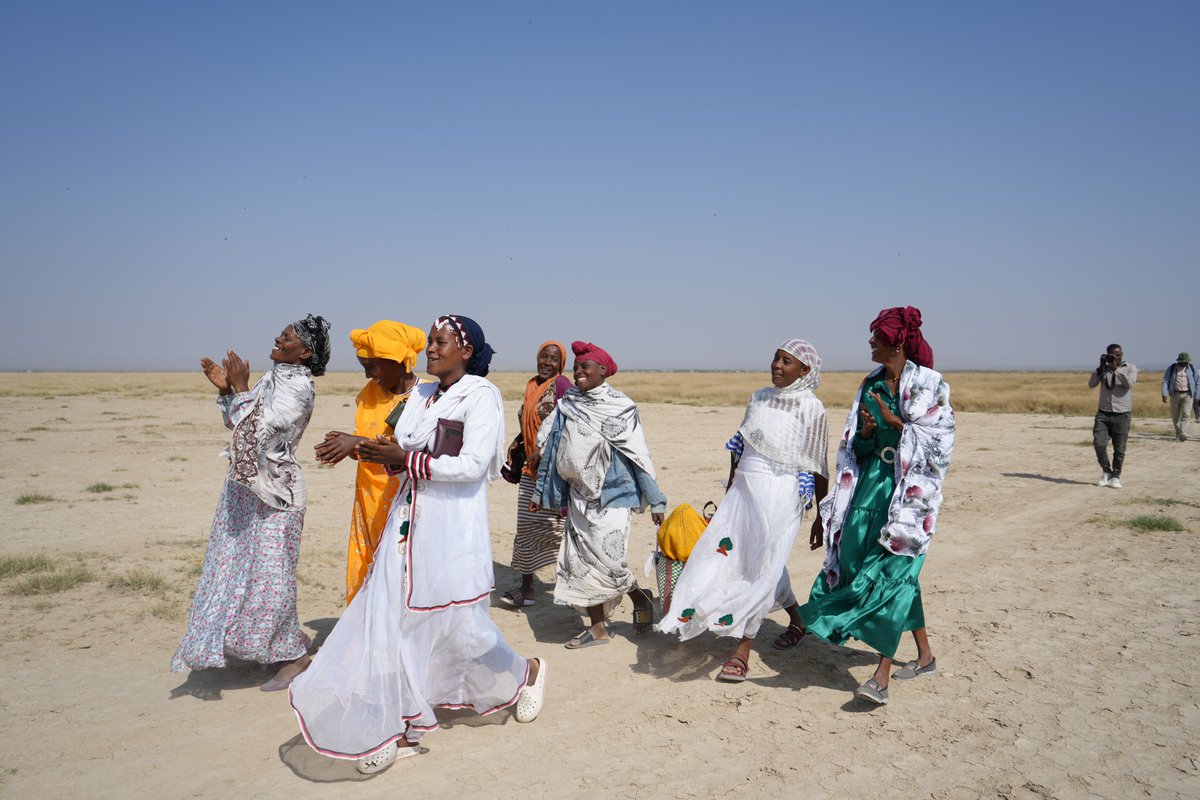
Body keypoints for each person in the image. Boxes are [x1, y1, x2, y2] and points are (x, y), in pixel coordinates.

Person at [289, 315, 546, 775]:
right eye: (429, 342)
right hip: (406, 523)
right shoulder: (423, 394)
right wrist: (361, 446)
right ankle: (403, 720)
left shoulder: (481, 395)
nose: (431, 349)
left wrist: (404, 458)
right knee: (393, 617)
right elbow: (397, 449)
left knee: (461, 627)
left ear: (465, 351)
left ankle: (526, 671)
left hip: (452, 529)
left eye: (441, 342)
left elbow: (471, 465)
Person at [800, 306, 954, 706]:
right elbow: (859, 447)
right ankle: (925, 656)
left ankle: (880, 678)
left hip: (909, 499)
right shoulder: (870, 384)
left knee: (890, 574)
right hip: (869, 492)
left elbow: (940, 443)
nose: (870, 342)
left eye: (877, 336)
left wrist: (899, 424)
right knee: (867, 569)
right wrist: (870, 431)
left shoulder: (930, 385)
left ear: (897, 342)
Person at [172, 315, 332, 693]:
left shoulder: (299, 388)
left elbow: (261, 433)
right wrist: (229, 391)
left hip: (277, 495)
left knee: (272, 581)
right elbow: (239, 426)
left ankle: (294, 657)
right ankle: (282, 645)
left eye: (288, 336)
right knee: (240, 572)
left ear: (305, 352)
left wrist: (241, 389)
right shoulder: (275, 378)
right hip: (247, 491)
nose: (279, 337)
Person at [656, 340, 829, 683]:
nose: (777, 365)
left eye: (786, 361)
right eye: (776, 358)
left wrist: (822, 516)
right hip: (744, 493)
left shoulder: (813, 409)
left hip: (782, 496)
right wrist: (732, 487)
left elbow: (818, 465)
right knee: (733, 559)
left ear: (805, 371)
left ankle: (742, 650)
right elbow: (739, 449)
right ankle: (797, 619)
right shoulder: (758, 398)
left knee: (762, 567)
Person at [531, 341, 665, 649]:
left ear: (603, 371)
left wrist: (655, 499)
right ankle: (598, 628)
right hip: (578, 495)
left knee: (610, 561)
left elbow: (638, 456)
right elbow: (551, 445)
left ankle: (639, 597)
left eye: (585, 367)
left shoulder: (620, 406)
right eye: (576, 367)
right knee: (581, 562)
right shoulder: (569, 403)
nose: (578, 372)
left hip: (613, 496)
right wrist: (540, 492)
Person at [313, 320, 428, 604]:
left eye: (372, 366)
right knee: (368, 565)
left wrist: (355, 443)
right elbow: (365, 440)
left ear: (397, 362)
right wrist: (344, 444)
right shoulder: (369, 395)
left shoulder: (426, 398)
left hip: (406, 501)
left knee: (400, 568)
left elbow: (408, 452)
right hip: (368, 497)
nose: (368, 374)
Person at [499, 341, 573, 608]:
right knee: (526, 527)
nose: (547, 363)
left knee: (560, 529)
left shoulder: (563, 385)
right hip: (531, 470)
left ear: (560, 364)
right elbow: (530, 423)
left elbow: (570, 424)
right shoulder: (531, 385)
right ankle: (527, 588)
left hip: (554, 473)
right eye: (544, 357)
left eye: (553, 359)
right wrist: (519, 441)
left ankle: (573, 586)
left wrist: (546, 451)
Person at [1089, 343, 1138, 487]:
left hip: (1122, 413)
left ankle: (1116, 475)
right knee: (1099, 443)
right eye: (1112, 354)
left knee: (1120, 448)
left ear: (1122, 354)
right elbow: (1091, 384)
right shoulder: (1103, 369)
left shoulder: (1130, 368)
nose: (1115, 357)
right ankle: (1106, 471)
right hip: (1103, 413)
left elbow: (1129, 384)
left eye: (1117, 354)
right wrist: (1100, 367)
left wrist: (1116, 369)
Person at [1161, 352, 1197, 442]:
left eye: (1186, 362)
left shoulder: (1192, 368)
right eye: (1183, 362)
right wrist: (1164, 393)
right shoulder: (1172, 368)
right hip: (1175, 394)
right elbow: (1165, 381)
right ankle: (1178, 434)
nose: (1185, 363)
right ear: (1179, 361)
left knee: (1186, 414)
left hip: (1188, 394)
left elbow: (1197, 382)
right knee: (1175, 416)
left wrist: (1197, 395)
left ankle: (1183, 433)